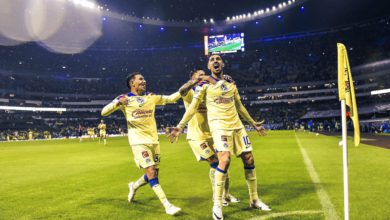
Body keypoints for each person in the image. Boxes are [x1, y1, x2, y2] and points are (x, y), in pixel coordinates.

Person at [169, 55, 271, 220]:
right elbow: (193, 107)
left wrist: (253, 123)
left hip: (237, 126)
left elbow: (239, 105)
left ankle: (254, 199)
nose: (215, 61)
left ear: (223, 63)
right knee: (224, 159)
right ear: (209, 66)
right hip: (219, 126)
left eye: (218, 59)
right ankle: (217, 204)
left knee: (249, 158)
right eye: (212, 60)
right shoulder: (203, 85)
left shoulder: (231, 83)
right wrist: (179, 127)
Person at [101, 72, 209, 215]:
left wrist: (190, 84)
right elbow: (104, 112)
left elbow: (171, 98)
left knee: (153, 174)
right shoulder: (124, 98)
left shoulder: (151, 97)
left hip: (153, 140)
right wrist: (117, 103)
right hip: (138, 141)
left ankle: (134, 186)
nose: (144, 81)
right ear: (132, 83)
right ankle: (167, 206)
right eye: (140, 79)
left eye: (144, 79)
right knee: (151, 171)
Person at [175, 69, 239, 206]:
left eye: (204, 74)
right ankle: (218, 197)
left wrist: (225, 79)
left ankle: (226, 195)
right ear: (192, 78)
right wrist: (195, 81)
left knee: (224, 163)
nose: (204, 76)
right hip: (197, 136)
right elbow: (181, 91)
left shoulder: (209, 91)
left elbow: (225, 92)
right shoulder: (191, 93)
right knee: (215, 162)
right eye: (199, 74)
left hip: (213, 134)